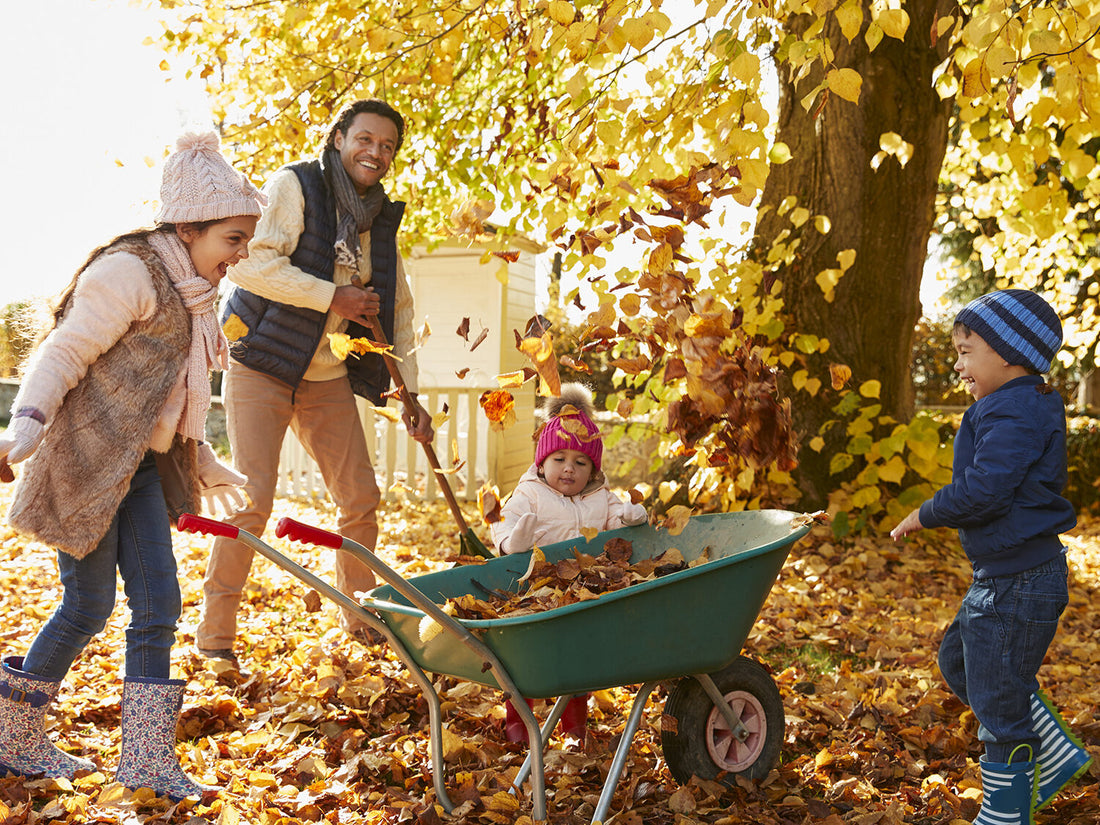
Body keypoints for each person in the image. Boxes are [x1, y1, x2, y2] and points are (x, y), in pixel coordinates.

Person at [0, 132, 263, 800]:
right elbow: (64, 352)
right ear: (189, 227)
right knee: (86, 605)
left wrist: (203, 460)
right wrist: (25, 424)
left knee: (158, 605)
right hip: (88, 466)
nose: (240, 255)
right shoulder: (130, 273)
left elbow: (169, 400)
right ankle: (13, 736)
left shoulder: (196, 297)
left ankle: (146, 761)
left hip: (140, 474)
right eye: (233, 239)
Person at [195, 98, 433, 665]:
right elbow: (250, 263)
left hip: (325, 376)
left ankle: (357, 612)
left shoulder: (380, 219)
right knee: (252, 498)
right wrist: (333, 294)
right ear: (339, 139)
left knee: (360, 497)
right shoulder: (295, 186)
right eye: (365, 139)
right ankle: (216, 635)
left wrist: (410, 394)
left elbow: (395, 309)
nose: (375, 152)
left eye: (387, 146)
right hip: (263, 364)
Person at [890, 289, 1091, 822]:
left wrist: (927, 512)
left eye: (965, 351)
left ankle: (1005, 810)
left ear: (1008, 352)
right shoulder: (1009, 405)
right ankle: (1051, 753)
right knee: (960, 663)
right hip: (1004, 577)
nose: (957, 366)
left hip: (1019, 581)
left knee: (999, 706)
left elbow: (987, 488)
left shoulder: (1016, 411)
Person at [491, 383, 648, 745]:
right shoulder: (530, 492)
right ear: (541, 461)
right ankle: (518, 717)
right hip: (535, 588)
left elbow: (616, 522)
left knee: (578, 658)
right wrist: (512, 541)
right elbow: (502, 519)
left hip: (584, 591)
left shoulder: (599, 497)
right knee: (525, 657)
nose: (568, 469)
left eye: (580, 462)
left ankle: (574, 722)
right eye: (558, 459)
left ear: (592, 470)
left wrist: (630, 517)